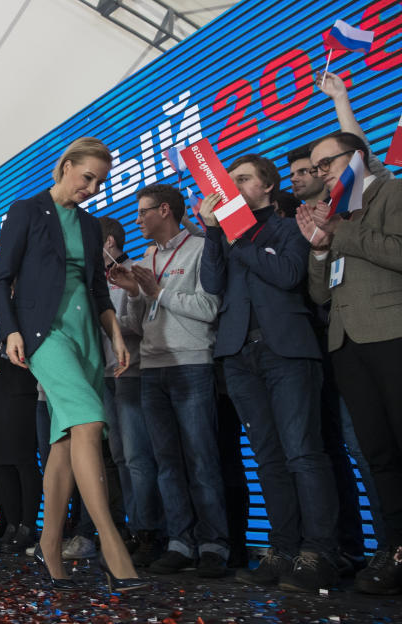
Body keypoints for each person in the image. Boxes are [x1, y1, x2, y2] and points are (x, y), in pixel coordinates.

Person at [0, 136, 145, 593]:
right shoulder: (26, 210)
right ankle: (112, 546)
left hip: (85, 339)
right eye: (87, 177)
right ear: (65, 166)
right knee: (91, 420)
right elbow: (1, 280)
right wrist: (10, 331)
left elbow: (99, 291)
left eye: (100, 181)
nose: (93, 188)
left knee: (63, 441)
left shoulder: (91, 225)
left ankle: (51, 545)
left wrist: (115, 334)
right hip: (45, 335)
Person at [199, 154, 338, 592]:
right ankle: (282, 548)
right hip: (239, 356)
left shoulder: (288, 225)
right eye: (230, 179)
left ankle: (319, 552)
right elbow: (212, 285)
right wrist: (211, 230)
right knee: (268, 458)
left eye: (243, 179)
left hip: (288, 352)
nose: (233, 186)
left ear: (267, 186)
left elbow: (289, 272)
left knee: (302, 452)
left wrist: (237, 239)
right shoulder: (223, 235)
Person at [295, 131, 402, 595]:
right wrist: (319, 247)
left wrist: (341, 231)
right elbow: (321, 293)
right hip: (347, 344)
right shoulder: (335, 214)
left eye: (326, 163)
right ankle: (396, 548)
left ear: (358, 157)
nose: (321, 174)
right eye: (316, 168)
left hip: (392, 335)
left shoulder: (391, 191)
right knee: (378, 455)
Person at [109, 183, 229, 578]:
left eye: (143, 211)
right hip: (153, 367)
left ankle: (214, 544)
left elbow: (209, 308)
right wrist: (134, 294)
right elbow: (137, 323)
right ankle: (180, 541)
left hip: (192, 363)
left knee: (201, 459)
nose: (138, 219)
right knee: (166, 463)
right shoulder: (147, 256)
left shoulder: (198, 247)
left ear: (165, 210)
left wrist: (157, 291)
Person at [99, 216, 164, 567]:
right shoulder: (96, 280)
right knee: (121, 457)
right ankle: (130, 529)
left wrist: (106, 318)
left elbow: (136, 325)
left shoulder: (135, 269)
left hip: (133, 372)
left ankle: (151, 530)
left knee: (139, 457)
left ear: (109, 243)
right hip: (106, 376)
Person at [0, 320, 41, 554]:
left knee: (24, 463)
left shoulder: (28, 318)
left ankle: (28, 526)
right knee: (2, 465)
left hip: (22, 397)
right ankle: (12, 524)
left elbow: (28, 357)